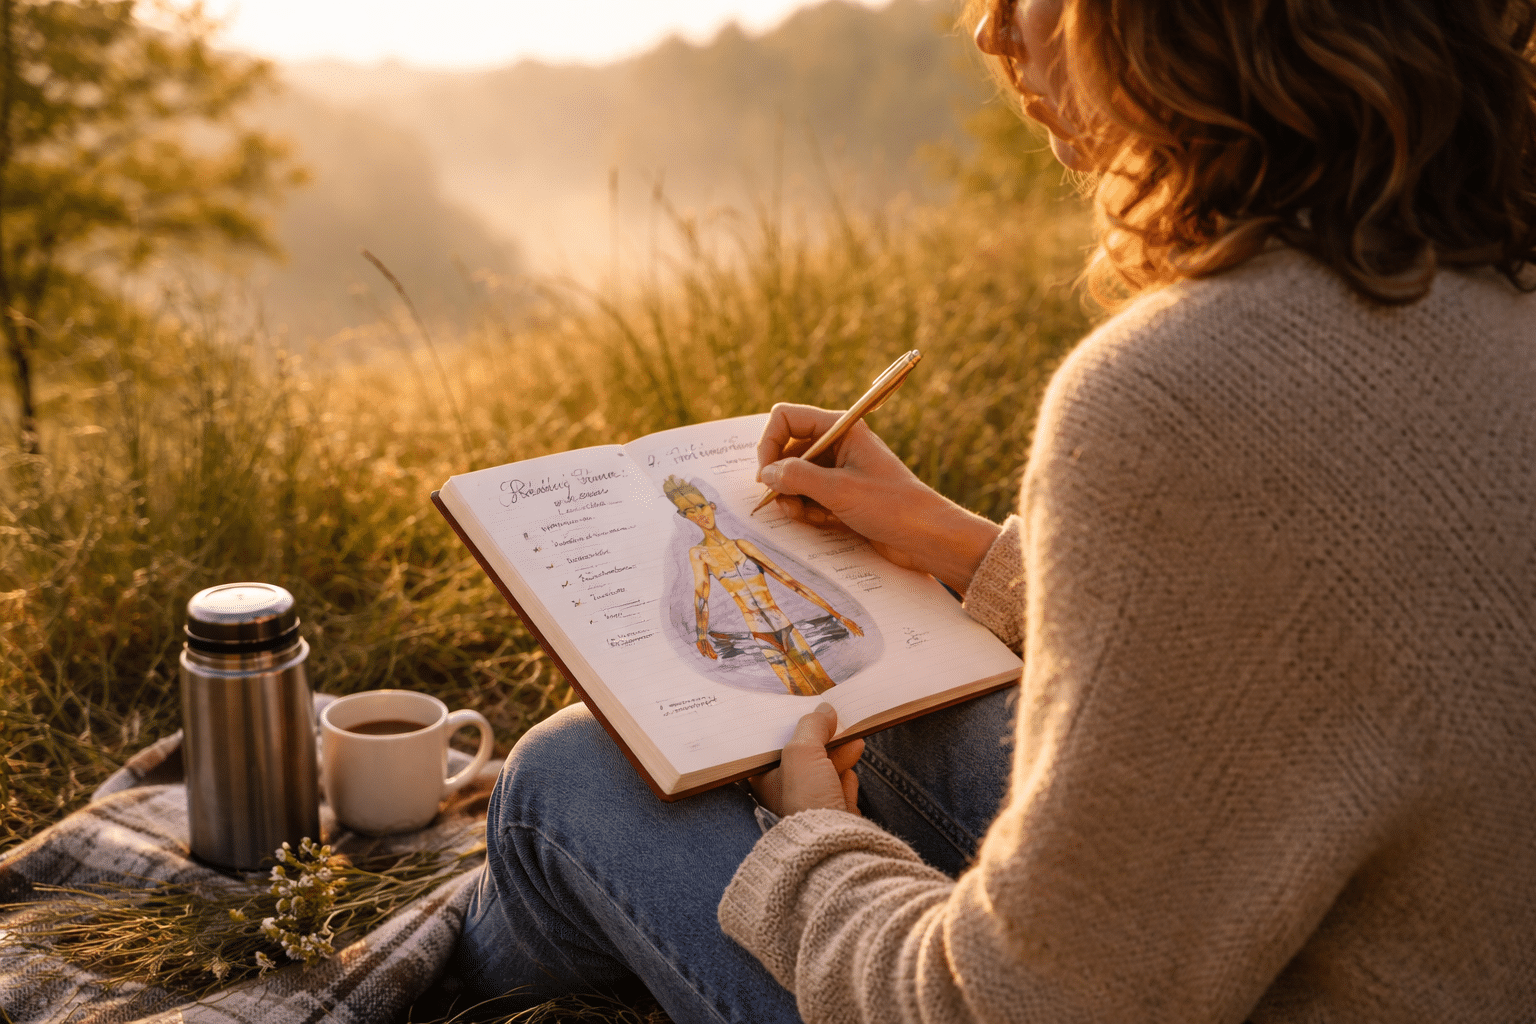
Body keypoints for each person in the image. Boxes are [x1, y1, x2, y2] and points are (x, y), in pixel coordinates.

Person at [453, 0, 1536, 1020]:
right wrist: (960, 548)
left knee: (571, 779)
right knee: (922, 691)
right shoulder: (1490, 292)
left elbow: (1010, 1006)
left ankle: (421, 970)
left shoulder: (1181, 389)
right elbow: (1316, 645)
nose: (989, 27)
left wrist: (820, 847)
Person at [663, 474, 863, 697]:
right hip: (759, 633)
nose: (699, 514)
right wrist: (701, 636)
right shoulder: (699, 554)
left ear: (711, 506)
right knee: (797, 690)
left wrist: (836, 614)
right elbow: (701, 596)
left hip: (785, 626)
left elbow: (790, 581)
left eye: (700, 506)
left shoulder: (743, 545)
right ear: (684, 516)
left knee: (823, 681)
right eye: (690, 511)